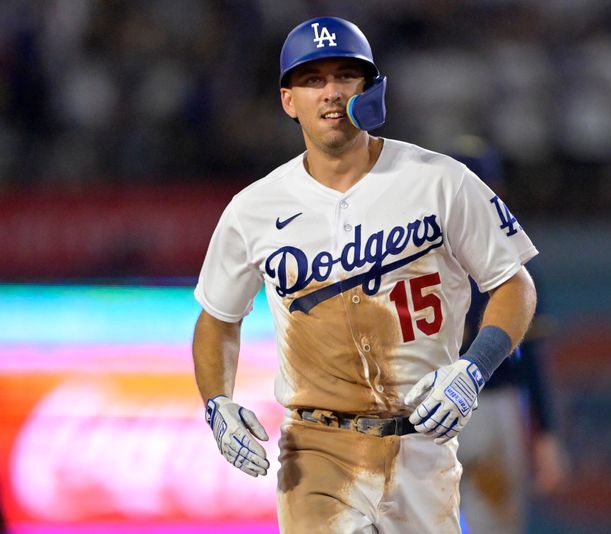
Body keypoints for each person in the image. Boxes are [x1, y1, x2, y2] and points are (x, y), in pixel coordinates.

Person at [192, 17, 538, 534]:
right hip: (315, 448)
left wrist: (474, 369)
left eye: (345, 76)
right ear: (289, 100)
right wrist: (217, 402)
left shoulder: (440, 180)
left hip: (423, 441)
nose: (331, 92)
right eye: (313, 80)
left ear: (370, 88)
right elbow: (218, 317)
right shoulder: (254, 208)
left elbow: (514, 284)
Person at [449, 136, 569, 534]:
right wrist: (546, 434)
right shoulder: (510, 256)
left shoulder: (414, 251)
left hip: (438, 410)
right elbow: (531, 358)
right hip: (491, 408)